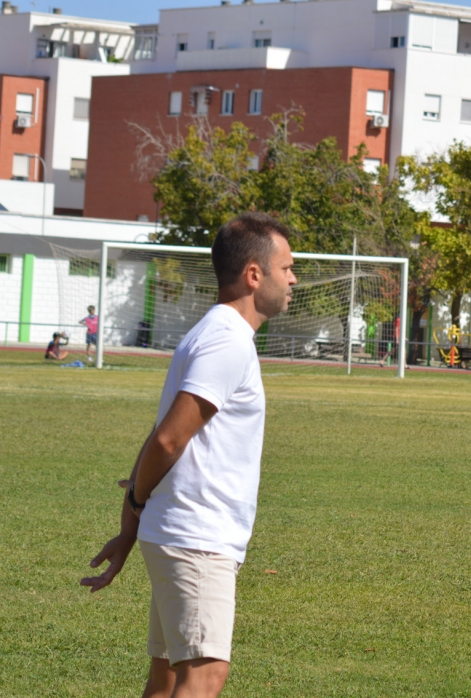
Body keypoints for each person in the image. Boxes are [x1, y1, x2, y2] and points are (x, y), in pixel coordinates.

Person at [81, 212, 297, 698]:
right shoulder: (226, 340)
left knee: (168, 679)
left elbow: (161, 432)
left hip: (178, 534)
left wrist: (131, 527)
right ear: (254, 274)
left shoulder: (214, 332)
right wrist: (135, 507)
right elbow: (166, 442)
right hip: (197, 538)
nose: (294, 278)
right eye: (287, 267)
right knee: (203, 676)